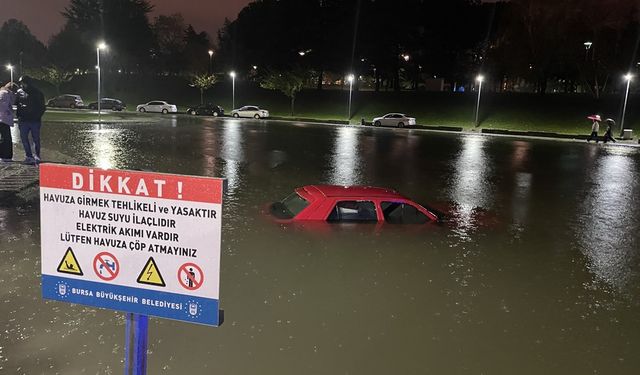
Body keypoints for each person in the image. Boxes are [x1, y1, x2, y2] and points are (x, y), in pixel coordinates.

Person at [16, 75, 46, 164]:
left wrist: (37, 117)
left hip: (34, 120)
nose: (22, 85)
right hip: (23, 120)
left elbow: (42, 107)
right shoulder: (19, 92)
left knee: (36, 139)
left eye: (23, 83)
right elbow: (16, 102)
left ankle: (37, 155)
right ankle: (28, 156)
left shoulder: (37, 92)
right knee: (24, 139)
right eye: (21, 83)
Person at [0, 82, 18, 162]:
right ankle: (6, 156)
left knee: (5, 137)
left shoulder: (5, 93)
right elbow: (3, 106)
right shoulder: (5, 94)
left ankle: (5, 155)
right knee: (6, 138)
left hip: (3, 119)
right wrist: (8, 112)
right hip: (3, 119)